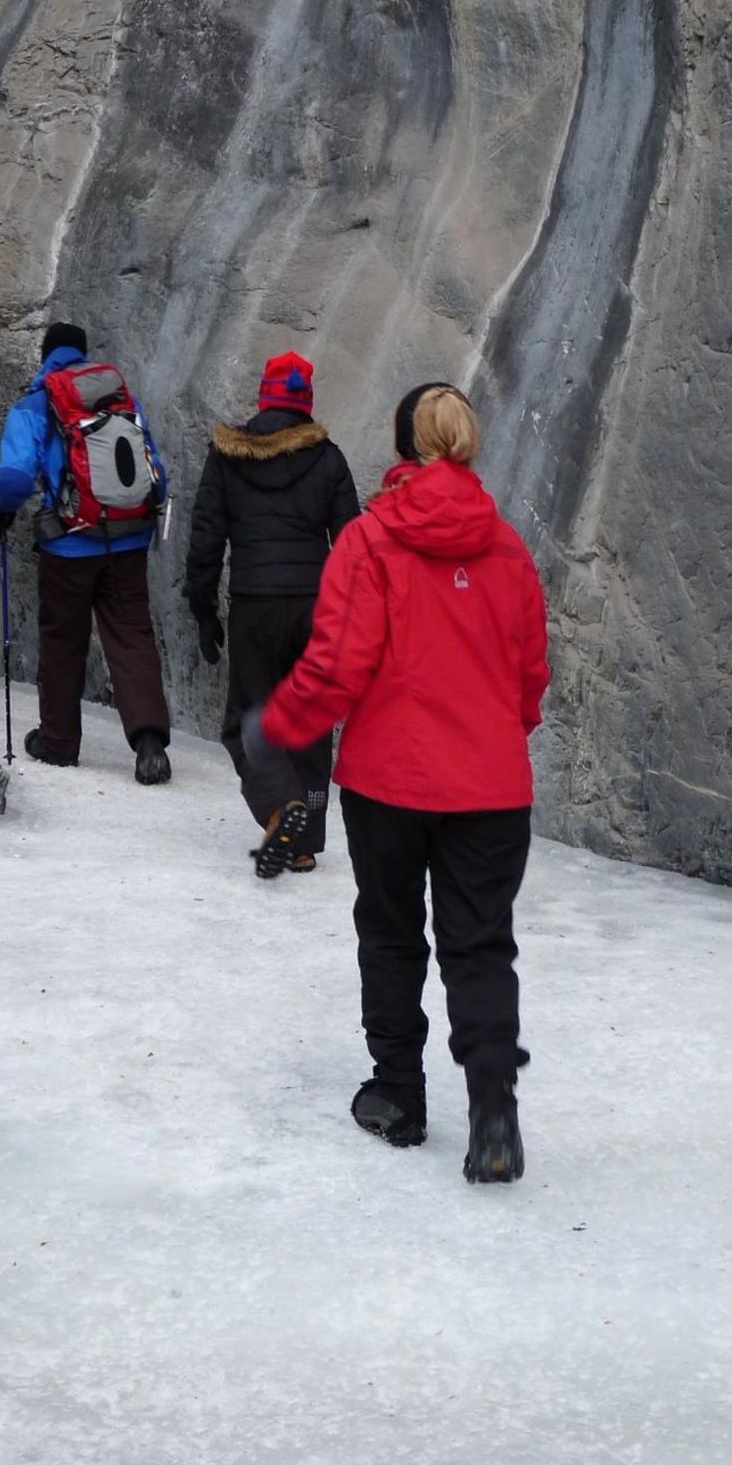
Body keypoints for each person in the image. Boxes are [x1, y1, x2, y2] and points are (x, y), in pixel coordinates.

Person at [244, 383, 549, 1183]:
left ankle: (399, 1096)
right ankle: (493, 1118)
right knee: (480, 945)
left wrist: (277, 724)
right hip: (490, 789)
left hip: (390, 781)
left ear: (402, 445)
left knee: (390, 933)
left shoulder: (370, 541)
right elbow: (529, 680)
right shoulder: (508, 548)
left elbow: (339, 666)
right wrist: (490, 737)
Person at [183, 351, 359, 877]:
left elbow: (207, 537)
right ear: (306, 401)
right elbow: (352, 544)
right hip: (315, 606)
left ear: (263, 398)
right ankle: (302, 841)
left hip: (254, 606)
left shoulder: (229, 456)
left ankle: (281, 805)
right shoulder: (327, 458)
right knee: (308, 718)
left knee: (247, 722)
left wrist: (202, 607)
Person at [0, 321, 174, 785]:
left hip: (69, 544)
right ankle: (150, 743)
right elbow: (156, 472)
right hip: (128, 537)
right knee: (131, 635)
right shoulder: (121, 400)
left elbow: (14, 477)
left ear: (46, 355)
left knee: (63, 640)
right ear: (84, 354)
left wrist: (1, 512)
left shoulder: (37, 403)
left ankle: (58, 743)